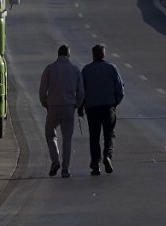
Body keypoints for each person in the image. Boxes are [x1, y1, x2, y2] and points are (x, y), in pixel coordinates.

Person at [39, 45, 84, 178]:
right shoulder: (75, 70)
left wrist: (45, 104)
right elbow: (81, 92)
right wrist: (76, 105)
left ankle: (55, 160)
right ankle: (65, 168)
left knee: (50, 134)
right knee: (67, 139)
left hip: (53, 106)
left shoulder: (50, 69)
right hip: (69, 106)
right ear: (68, 55)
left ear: (58, 54)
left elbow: (42, 90)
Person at [79, 44, 124, 175]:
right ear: (104, 54)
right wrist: (115, 103)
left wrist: (80, 107)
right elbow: (120, 89)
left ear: (93, 55)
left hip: (92, 108)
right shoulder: (111, 68)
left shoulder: (86, 70)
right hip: (108, 107)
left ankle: (95, 163)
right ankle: (107, 156)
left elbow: (81, 91)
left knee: (94, 136)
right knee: (109, 134)